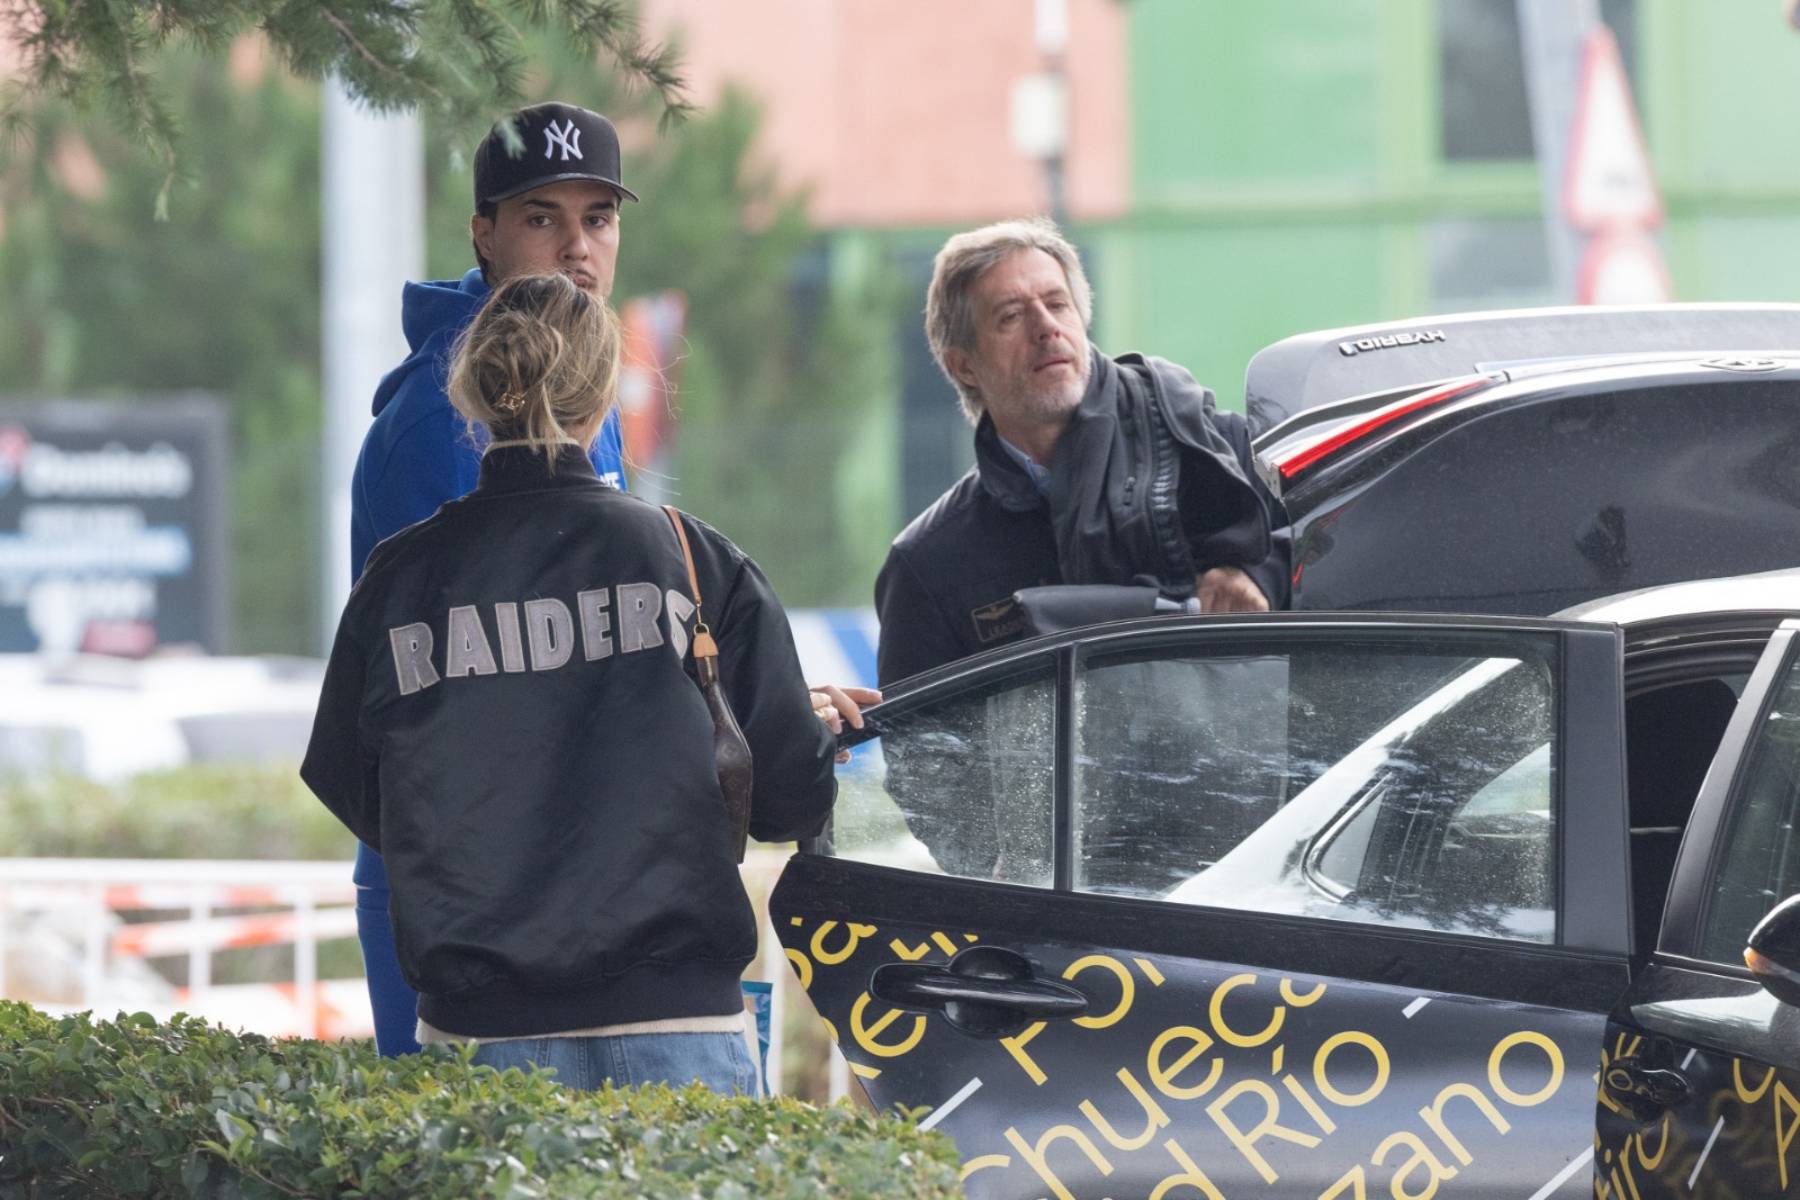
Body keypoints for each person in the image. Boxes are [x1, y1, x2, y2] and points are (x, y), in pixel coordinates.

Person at [304, 273, 836, 1093]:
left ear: (472, 391)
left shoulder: (401, 578)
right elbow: (790, 799)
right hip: (681, 1024)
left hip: (479, 1034)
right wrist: (809, 728)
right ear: (604, 397)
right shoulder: (692, 559)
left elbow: (351, 782)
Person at [347, 101, 636, 1057]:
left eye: (597, 218)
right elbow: (487, 680)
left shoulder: (581, 386)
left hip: (562, 867)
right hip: (462, 885)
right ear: (484, 235)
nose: (576, 247)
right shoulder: (447, 418)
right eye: (541, 217)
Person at [874, 217, 1290, 687]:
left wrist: (1258, 574)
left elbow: (1330, 548)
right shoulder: (930, 565)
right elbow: (921, 734)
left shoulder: (1218, 451)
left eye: (1057, 304)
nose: (1046, 327)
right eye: (1011, 316)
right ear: (964, 366)